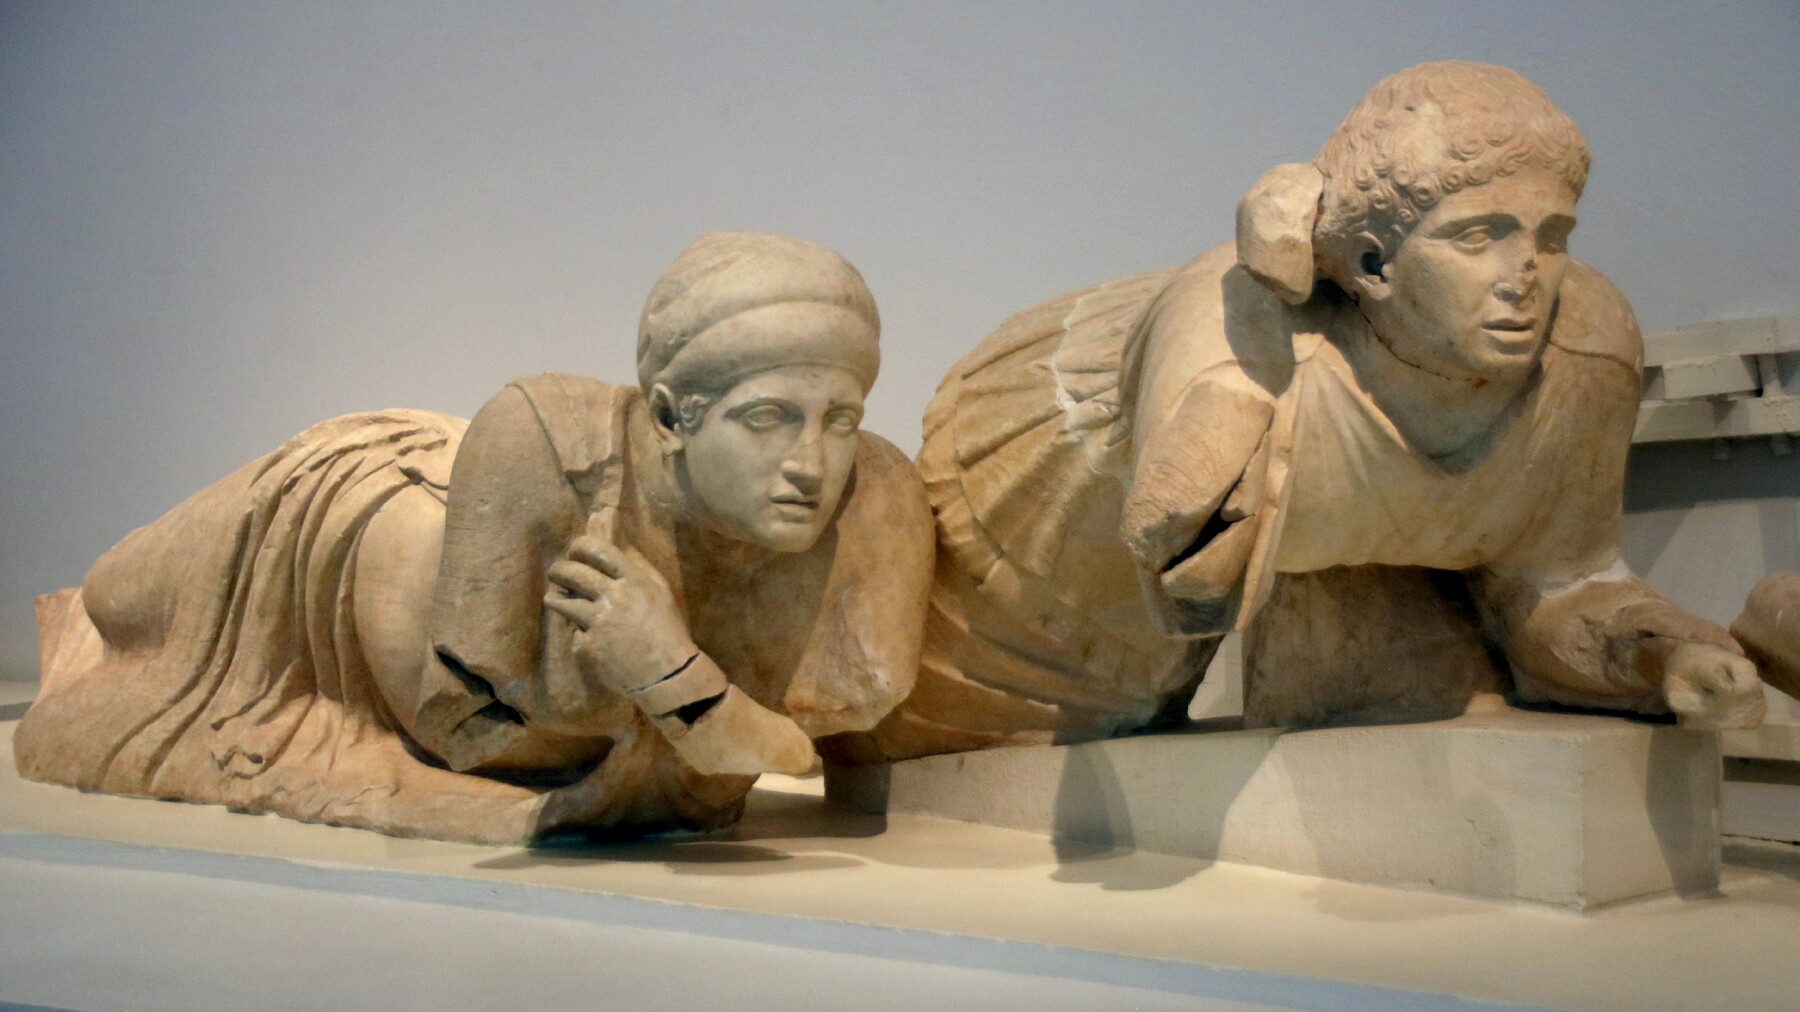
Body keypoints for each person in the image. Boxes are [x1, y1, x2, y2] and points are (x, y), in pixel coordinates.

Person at [830, 62, 1770, 764]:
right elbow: (1180, 559)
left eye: (1551, 236)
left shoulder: (1584, 353)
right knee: (935, 741)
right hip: (1048, 583)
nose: (1526, 275)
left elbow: (1559, 587)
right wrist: (1214, 458)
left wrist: (1664, 654)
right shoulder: (1245, 341)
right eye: (1478, 236)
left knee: (1432, 695)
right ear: (1371, 265)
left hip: (1343, 569)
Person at [18, 231, 934, 844]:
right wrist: (688, 717)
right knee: (115, 591)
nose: (812, 464)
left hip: (452, 534)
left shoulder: (875, 504)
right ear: (668, 417)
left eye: (840, 419)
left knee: (110, 633)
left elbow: (784, 757)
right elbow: (463, 733)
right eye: (769, 418)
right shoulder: (544, 435)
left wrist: (666, 669)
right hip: (333, 531)